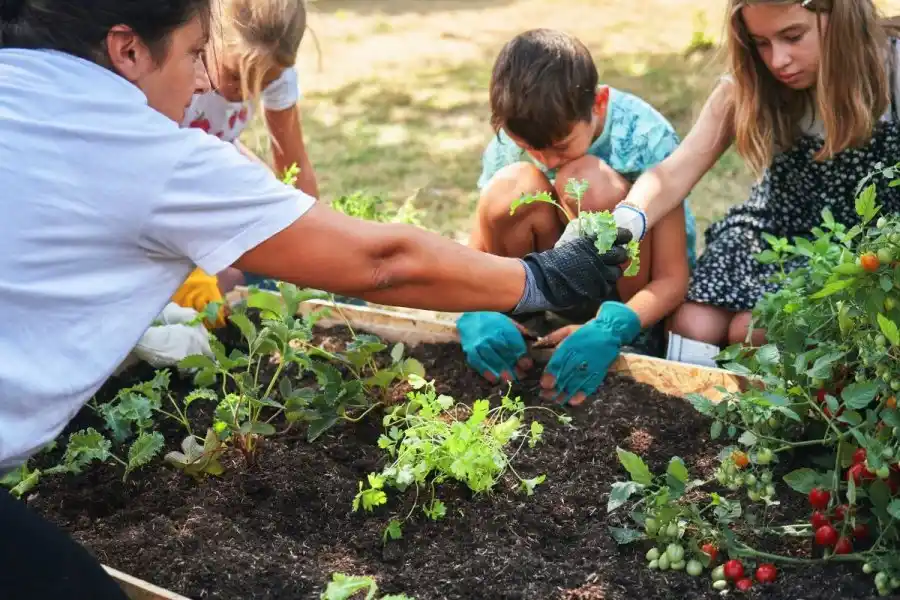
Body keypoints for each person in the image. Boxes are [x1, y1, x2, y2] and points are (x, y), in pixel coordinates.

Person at [0, 1, 631, 596]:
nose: (201, 82)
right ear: (128, 49)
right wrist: (542, 279)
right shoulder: (146, 154)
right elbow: (381, 263)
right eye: (194, 53)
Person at [609, 0, 900, 361]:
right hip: (775, 229)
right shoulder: (751, 83)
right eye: (761, 43)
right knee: (692, 325)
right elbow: (672, 174)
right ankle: (686, 394)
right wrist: (622, 225)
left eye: (793, 36)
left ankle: (758, 396)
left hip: (862, 245)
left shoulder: (891, 69)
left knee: (754, 332)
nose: (778, 60)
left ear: (839, 14)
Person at [459, 29, 697, 404]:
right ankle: (527, 319)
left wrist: (615, 326)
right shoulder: (513, 138)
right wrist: (473, 311)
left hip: (628, 298)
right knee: (511, 185)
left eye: (561, 145)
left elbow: (672, 278)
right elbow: (477, 252)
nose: (547, 160)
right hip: (552, 281)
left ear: (598, 103)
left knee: (585, 182)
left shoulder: (644, 137)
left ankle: (633, 340)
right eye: (530, 148)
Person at [177, 0, 316, 306]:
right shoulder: (176, 74)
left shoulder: (275, 69)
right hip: (170, 181)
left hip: (216, 164)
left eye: (265, 82)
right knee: (220, 282)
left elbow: (294, 167)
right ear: (210, 35)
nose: (247, 90)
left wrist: (315, 243)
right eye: (235, 75)